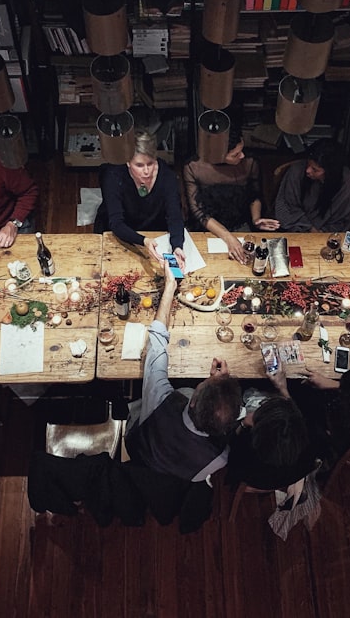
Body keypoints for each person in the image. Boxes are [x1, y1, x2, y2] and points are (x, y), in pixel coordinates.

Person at [125, 259, 242, 482]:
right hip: (174, 478)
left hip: (139, 448)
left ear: (193, 402)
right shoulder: (221, 458)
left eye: (204, 384)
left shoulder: (161, 400)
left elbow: (157, 341)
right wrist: (218, 385)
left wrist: (170, 285)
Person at [183, 132, 278, 264]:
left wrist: (256, 218)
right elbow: (198, 211)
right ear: (219, 155)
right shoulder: (194, 167)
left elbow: (255, 195)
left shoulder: (249, 162)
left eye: (242, 150)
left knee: (245, 262)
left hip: (240, 221)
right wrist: (228, 237)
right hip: (209, 224)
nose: (242, 155)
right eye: (235, 154)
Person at [95, 132, 186, 268]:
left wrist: (177, 246)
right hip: (122, 232)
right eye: (139, 165)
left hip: (155, 230)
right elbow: (116, 223)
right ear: (127, 162)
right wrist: (144, 241)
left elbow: (175, 217)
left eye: (150, 163)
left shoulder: (167, 177)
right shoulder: (114, 177)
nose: (147, 171)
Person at [227, 367, 315, 491]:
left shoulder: (246, 450)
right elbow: (294, 417)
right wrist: (283, 389)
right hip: (285, 478)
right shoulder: (309, 449)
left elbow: (232, 443)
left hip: (255, 479)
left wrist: (243, 424)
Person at [274, 139, 350, 233]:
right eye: (308, 164)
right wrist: (310, 228)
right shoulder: (297, 171)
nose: (308, 170)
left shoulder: (348, 184)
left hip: (327, 234)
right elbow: (287, 206)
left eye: (315, 169)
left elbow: (341, 220)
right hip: (296, 228)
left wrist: (320, 233)